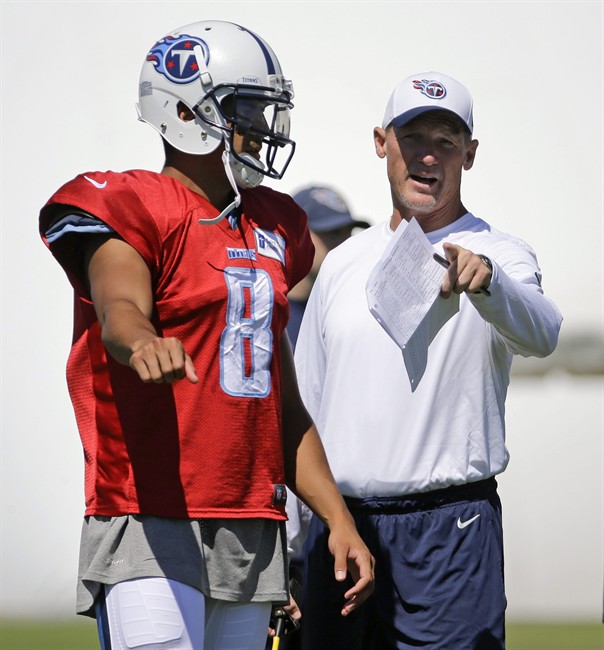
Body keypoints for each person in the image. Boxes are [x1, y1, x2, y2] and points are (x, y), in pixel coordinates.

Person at [38, 20, 374, 650]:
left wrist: (337, 517)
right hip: (150, 509)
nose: (265, 127)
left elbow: (282, 404)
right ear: (187, 110)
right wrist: (141, 341)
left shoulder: (277, 224)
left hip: (250, 518)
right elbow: (118, 305)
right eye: (246, 108)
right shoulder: (132, 203)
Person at [287, 71, 563, 649]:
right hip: (338, 529)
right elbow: (302, 410)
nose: (428, 156)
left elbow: (542, 334)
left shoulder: (500, 252)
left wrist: (489, 286)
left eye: (445, 139)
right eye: (414, 137)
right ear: (381, 141)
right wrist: (287, 548)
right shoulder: (341, 263)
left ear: (470, 153)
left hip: (451, 530)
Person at [286, 186, 370, 348]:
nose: (345, 242)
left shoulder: (348, 311)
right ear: (293, 232)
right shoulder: (264, 311)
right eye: (333, 232)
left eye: (349, 231)